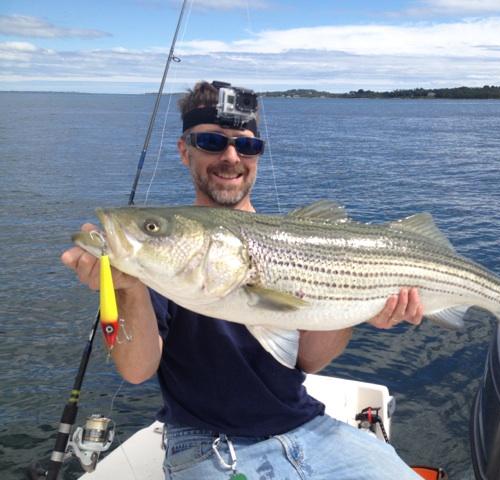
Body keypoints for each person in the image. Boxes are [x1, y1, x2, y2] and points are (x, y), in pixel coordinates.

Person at [61, 80, 425, 479]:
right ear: (184, 150)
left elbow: (309, 360)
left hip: (309, 425)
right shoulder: (158, 266)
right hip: (207, 446)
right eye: (211, 142)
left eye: (247, 145)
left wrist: (356, 303)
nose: (231, 157)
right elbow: (136, 370)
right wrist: (128, 288)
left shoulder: (294, 242)